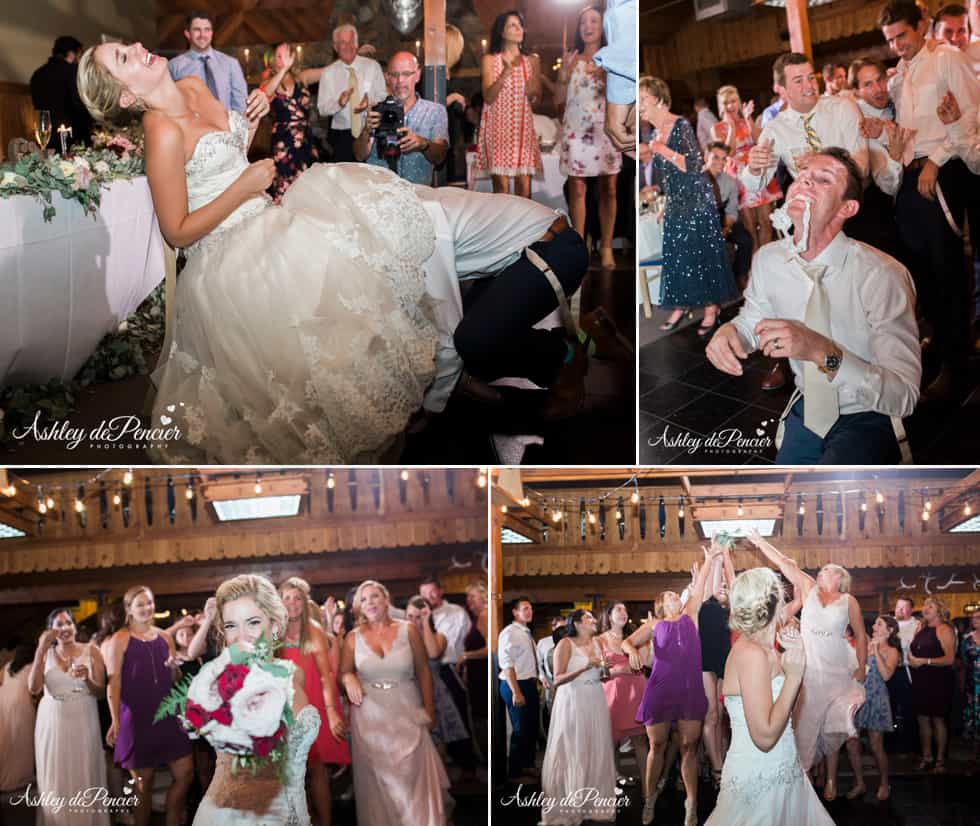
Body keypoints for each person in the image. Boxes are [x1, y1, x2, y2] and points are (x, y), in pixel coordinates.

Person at [78, 41, 444, 464]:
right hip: (227, 256)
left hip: (268, 220)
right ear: (126, 96)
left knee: (336, 315)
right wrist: (244, 188)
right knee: (289, 369)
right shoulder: (160, 130)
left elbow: (228, 154)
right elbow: (177, 231)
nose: (137, 47)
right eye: (123, 58)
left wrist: (251, 124)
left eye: (126, 45)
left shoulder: (195, 85)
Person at [707, 148, 921, 464]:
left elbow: (902, 397)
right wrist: (732, 332)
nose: (804, 183)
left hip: (868, 412)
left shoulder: (882, 275)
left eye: (822, 179)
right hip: (808, 408)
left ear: (847, 208)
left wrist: (820, 351)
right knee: (786, 502)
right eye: (802, 177)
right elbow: (754, 318)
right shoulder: (769, 258)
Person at [879, 0, 980, 401]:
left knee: (948, 271)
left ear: (922, 25)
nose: (896, 46)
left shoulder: (947, 60)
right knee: (922, 270)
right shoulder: (900, 75)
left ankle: (960, 366)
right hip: (910, 173)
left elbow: (970, 120)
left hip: (943, 171)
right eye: (889, 40)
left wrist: (935, 162)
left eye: (901, 35)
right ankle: (940, 346)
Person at [704, 567, 833, 826]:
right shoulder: (751, 654)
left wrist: (795, 659)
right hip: (758, 777)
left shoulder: (768, 651)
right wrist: (794, 676)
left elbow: (786, 714)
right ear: (774, 603)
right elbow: (764, 737)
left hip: (785, 770)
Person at [190, 574, 320, 825]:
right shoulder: (220, 687)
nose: (241, 636)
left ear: (274, 625)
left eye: (252, 622)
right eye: (230, 625)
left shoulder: (295, 674)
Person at [746, 532, 866, 801]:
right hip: (809, 668)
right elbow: (786, 564)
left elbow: (860, 634)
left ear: (840, 578)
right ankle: (802, 778)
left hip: (837, 669)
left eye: (828, 570)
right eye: (822, 569)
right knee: (805, 725)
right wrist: (761, 543)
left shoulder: (850, 602)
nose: (822, 571)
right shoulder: (809, 587)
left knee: (833, 725)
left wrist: (861, 667)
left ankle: (832, 781)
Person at [624, 545, 721, 826]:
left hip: (689, 688)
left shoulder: (691, 613)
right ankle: (649, 797)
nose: (674, 599)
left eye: (674, 596)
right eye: (668, 597)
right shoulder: (654, 625)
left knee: (689, 746)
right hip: (660, 688)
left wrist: (710, 558)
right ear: (661, 605)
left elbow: (700, 585)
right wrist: (631, 651)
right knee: (657, 745)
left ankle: (690, 803)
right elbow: (627, 641)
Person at [341, 580, 451, 825]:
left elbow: (423, 670)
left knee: (411, 776)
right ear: (359, 606)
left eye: (375, 596)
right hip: (370, 718)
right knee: (379, 781)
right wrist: (349, 680)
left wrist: (429, 708)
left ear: (386, 599)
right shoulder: (352, 638)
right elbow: (343, 672)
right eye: (364, 598)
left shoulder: (408, 630)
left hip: (407, 710)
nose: (370, 602)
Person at [639, 76, 736, 336]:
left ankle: (711, 308)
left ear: (659, 100)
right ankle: (681, 304)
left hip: (696, 197)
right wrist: (666, 203)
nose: (639, 106)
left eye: (644, 100)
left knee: (700, 252)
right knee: (677, 255)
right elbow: (669, 176)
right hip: (677, 200)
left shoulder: (679, 124)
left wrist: (661, 149)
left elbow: (693, 166)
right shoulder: (655, 133)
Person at [104, 587, 192, 826]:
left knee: (185, 773)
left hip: (167, 714)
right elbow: (113, 683)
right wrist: (115, 720)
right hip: (137, 717)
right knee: (144, 785)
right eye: (140, 604)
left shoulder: (165, 637)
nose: (146, 608)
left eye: (150, 603)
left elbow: (174, 680)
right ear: (129, 609)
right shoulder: (120, 639)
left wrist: (174, 667)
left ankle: (172, 819)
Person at [278, 577, 349, 824]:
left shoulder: (314, 631)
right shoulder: (274, 629)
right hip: (284, 704)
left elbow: (326, 676)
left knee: (317, 768)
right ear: (279, 601)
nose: (292, 603)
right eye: (287, 598)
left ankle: (325, 822)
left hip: (314, 701)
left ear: (304, 602)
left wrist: (330, 712)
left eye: (297, 598)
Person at [556, 5, 622, 268]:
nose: (588, 26)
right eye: (583, 22)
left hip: (605, 128)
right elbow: (558, 101)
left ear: (602, 27)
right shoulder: (571, 59)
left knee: (610, 188)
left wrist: (608, 78)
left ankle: (606, 246)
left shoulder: (613, 60)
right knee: (578, 188)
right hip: (576, 129)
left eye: (594, 21)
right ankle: (579, 246)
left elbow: (623, 97)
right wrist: (562, 76)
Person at [28, 610, 108, 826]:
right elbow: (34, 688)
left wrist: (87, 679)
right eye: (58, 625)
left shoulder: (92, 651)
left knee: (84, 770)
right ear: (51, 631)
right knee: (57, 776)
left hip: (84, 717)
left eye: (68, 623)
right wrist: (40, 649)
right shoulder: (46, 654)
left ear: (74, 626)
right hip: (52, 722)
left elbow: (101, 693)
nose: (64, 628)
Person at [540, 609, 617, 825]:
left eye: (593, 618)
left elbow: (603, 675)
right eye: (589, 619)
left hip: (595, 699)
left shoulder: (597, 643)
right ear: (578, 623)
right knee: (574, 748)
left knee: (595, 748)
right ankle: (570, 804)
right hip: (573, 699)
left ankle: (594, 804)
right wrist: (585, 667)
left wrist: (605, 670)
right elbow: (557, 679)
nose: (594, 621)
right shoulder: (565, 644)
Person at [355, 52, 448, 185]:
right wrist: (365, 132)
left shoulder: (434, 112)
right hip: (379, 193)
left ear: (417, 75)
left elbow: (440, 157)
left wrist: (422, 143)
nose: (400, 81)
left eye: (406, 74)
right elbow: (359, 155)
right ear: (387, 78)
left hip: (417, 195)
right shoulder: (375, 111)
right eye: (394, 75)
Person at [476, 10, 543, 197]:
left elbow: (536, 102)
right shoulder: (490, 60)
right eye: (512, 25)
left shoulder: (532, 60)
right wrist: (506, 72)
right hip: (498, 130)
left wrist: (533, 93)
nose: (518, 29)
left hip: (522, 129)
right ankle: (505, 226)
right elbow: (488, 97)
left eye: (520, 25)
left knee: (524, 188)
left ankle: (526, 227)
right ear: (502, 32)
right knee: (502, 190)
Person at [712, 84, 781, 254]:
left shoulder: (746, 120)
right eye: (726, 103)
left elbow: (760, 140)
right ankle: (754, 259)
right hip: (737, 175)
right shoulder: (718, 128)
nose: (730, 106)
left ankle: (765, 257)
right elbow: (729, 151)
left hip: (756, 168)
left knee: (765, 220)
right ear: (721, 106)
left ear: (738, 102)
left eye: (733, 101)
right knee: (749, 225)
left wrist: (749, 119)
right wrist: (732, 127)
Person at [419, 577, 477, 779]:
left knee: (456, 717)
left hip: (448, 668)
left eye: (432, 592)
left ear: (441, 591)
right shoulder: (418, 614)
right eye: (424, 594)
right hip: (422, 671)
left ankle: (467, 767)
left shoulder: (454, 612)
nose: (428, 597)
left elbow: (441, 648)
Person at [405, 596, 471, 756]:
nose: (414, 621)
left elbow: (433, 653)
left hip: (435, 692)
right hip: (410, 692)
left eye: (418, 617)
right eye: (410, 617)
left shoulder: (440, 636)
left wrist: (426, 622)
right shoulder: (401, 638)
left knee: (438, 739)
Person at [260, 43, 326, 202]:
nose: (284, 60)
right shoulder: (269, 81)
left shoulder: (302, 77)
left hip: (305, 140)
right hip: (283, 142)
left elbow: (329, 71)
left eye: (287, 55)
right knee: (284, 190)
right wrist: (283, 70)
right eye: (279, 56)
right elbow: (265, 94)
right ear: (271, 60)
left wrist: (355, 56)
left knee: (309, 190)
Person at [845, 615, 901, 801]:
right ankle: (859, 783)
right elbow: (854, 668)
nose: (875, 626)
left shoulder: (892, 651)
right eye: (875, 623)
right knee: (852, 741)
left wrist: (876, 650)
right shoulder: (865, 642)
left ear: (890, 630)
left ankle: (884, 783)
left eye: (879, 624)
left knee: (876, 745)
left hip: (877, 698)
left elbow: (886, 676)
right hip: (858, 696)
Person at [597, 601, 649, 793]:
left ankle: (647, 788)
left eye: (625, 610)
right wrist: (619, 670)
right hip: (613, 695)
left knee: (641, 741)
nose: (623, 613)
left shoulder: (635, 637)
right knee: (611, 743)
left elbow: (644, 662)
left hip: (636, 691)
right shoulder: (599, 640)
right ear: (609, 615)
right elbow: (597, 671)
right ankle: (609, 788)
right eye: (618, 609)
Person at [317, 24, 386, 163]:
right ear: (335, 47)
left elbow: (383, 95)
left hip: (371, 131)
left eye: (351, 41)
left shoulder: (373, 66)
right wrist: (339, 103)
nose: (348, 46)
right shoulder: (328, 73)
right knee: (346, 181)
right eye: (343, 42)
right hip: (343, 137)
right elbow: (322, 109)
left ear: (356, 44)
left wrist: (370, 101)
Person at [698, 543, 735, 788]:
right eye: (718, 585)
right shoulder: (705, 604)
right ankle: (717, 768)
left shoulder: (732, 610)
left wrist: (725, 557)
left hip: (725, 661)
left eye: (725, 586)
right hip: (704, 662)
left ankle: (720, 760)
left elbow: (733, 584)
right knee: (711, 714)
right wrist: (715, 558)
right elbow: (713, 583)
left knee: (722, 715)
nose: (721, 586)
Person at [909, 595, 957, 772]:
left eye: (930, 606)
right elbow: (913, 651)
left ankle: (940, 760)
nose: (925, 608)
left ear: (939, 610)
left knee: (938, 719)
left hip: (939, 680)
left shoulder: (944, 629)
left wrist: (925, 661)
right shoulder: (920, 628)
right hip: (921, 679)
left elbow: (950, 658)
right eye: (925, 605)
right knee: (922, 719)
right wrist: (912, 659)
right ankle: (926, 756)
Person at [167, 11, 247, 113]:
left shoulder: (231, 64)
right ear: (187, 34)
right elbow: (170, 104)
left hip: (226, 126)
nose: (202, 35)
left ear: (212, 33)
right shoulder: (174, 66)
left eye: (207, 30)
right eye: (197, 30)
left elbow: (240, 104)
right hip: (191, 127)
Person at [497, 596, 539, 784]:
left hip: (528, 683)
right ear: (515, 612)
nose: (529, 612)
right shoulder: (510, 632)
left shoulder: (525, 632)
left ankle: (527, 765)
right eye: (525, 608)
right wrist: (516, 691)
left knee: (531, 727)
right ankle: (514, 773)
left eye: (530, 608)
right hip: (516, 683)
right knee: (520, 729)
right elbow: (507, 663)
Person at [704, 141, 753, 288]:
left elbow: (732, 211)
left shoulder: (730, 182)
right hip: (701, 224)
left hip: (723, 220)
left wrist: (725, 229)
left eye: (724, 158)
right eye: (716, 157)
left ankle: (740, 275)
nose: (720, 162)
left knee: (745, 240)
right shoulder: (694, 179)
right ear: (706, 156)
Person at [30, 35, 93, 147]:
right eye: (80, 55)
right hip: (73, 138)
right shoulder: (73, 71)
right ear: (71, 53)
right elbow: (80, 105)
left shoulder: (37, 74)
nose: (80, 59)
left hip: (45, 137)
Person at [0, 646, 35, 802]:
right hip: (20, 701)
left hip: (4, 701)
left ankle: (6, 776)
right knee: (22, 739)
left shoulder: (8, 666)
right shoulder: (32, 665)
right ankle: (19, 777)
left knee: (7, 739)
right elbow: (35, 687)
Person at [888, 596, 919, 755]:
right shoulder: (889, 623)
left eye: (903, 607)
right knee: (889, 708)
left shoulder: (917, 625)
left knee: (908, 709)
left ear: (910, 610)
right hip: (889, 670)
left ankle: (909, 746)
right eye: (898, 606)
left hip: (907, 671)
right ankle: (890, 745)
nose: (899, 610)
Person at [461, 583, 489, 752]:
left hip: (483, 675)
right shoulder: (476, 617)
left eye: (473, 596)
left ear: (483, 597)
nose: (469, 600)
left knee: (482, 719)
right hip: (475, 674)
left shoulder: (485, 616)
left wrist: (466, 656)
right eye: (468, 597)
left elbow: (490, 648)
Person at [960, 611, 980, 771]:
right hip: (973, 685)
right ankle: (975, 756)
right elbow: (962, 663)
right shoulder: (967, 639)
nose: (974, 620)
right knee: (974, 719)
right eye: (972, 617)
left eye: (978, 617)